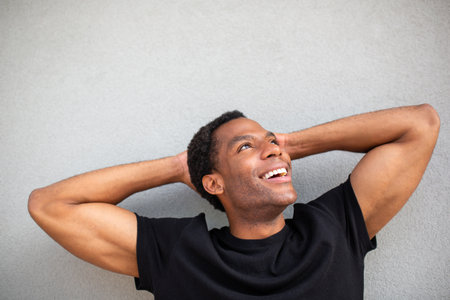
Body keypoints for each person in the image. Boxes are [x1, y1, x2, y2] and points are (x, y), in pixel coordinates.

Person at [28, 104, 440, 299]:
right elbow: (49, 205)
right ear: (213, 182)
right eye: (245, 147)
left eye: (273, 142)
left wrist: (288, 144)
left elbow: (419, 124)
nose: (273, 150)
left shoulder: (334, 228)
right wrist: (176, 167)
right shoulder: (178, 253)